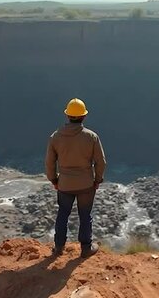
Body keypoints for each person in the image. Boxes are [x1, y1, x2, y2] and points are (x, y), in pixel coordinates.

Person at [46, 98, 106, 258]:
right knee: (85, 215)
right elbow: (101, 161)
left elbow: (50, 162)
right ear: (84, 117)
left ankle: (58, 248)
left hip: (64, 184)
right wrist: (97, 180)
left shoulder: (56, 137)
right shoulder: (92, 137)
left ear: (67, 116)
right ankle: (86, 248)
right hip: (86, 184)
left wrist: (54, 180)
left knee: (63, 214)